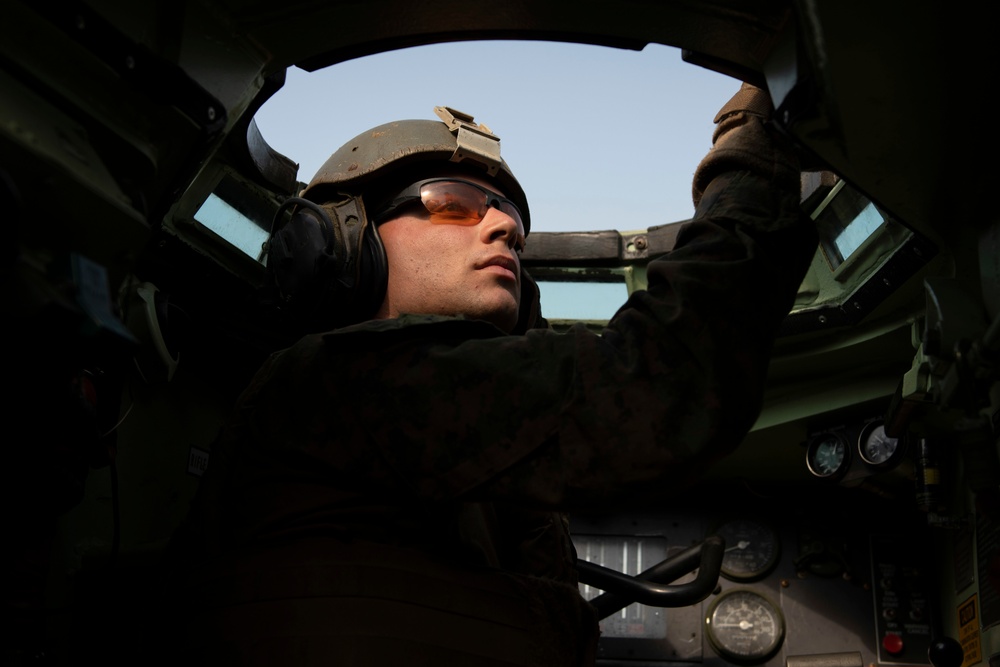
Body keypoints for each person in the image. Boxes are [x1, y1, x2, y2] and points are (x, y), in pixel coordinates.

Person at [163, 84, 818, 666]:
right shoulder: (331, 381)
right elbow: (661, 385)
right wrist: (752, 155)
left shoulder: (459, 456)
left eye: (512, 218)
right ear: (340, 241)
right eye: (454, 203)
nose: (506, 226)